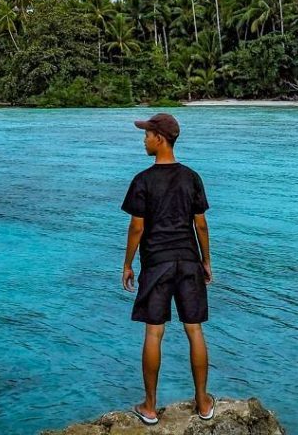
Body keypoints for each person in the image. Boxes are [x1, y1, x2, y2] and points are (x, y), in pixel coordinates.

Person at [121, 113, 214, 426]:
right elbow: (200, 224)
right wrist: (206, 260)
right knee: (194, 329)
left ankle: (149, 406)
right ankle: (203, 402)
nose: (144, 139)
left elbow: (136, 228)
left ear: (159, 138)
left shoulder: (143, 180)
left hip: (157, 263)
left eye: (147, 134)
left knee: (154, 332)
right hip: (188, 260)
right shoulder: (192, 177)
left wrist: (127, 263)